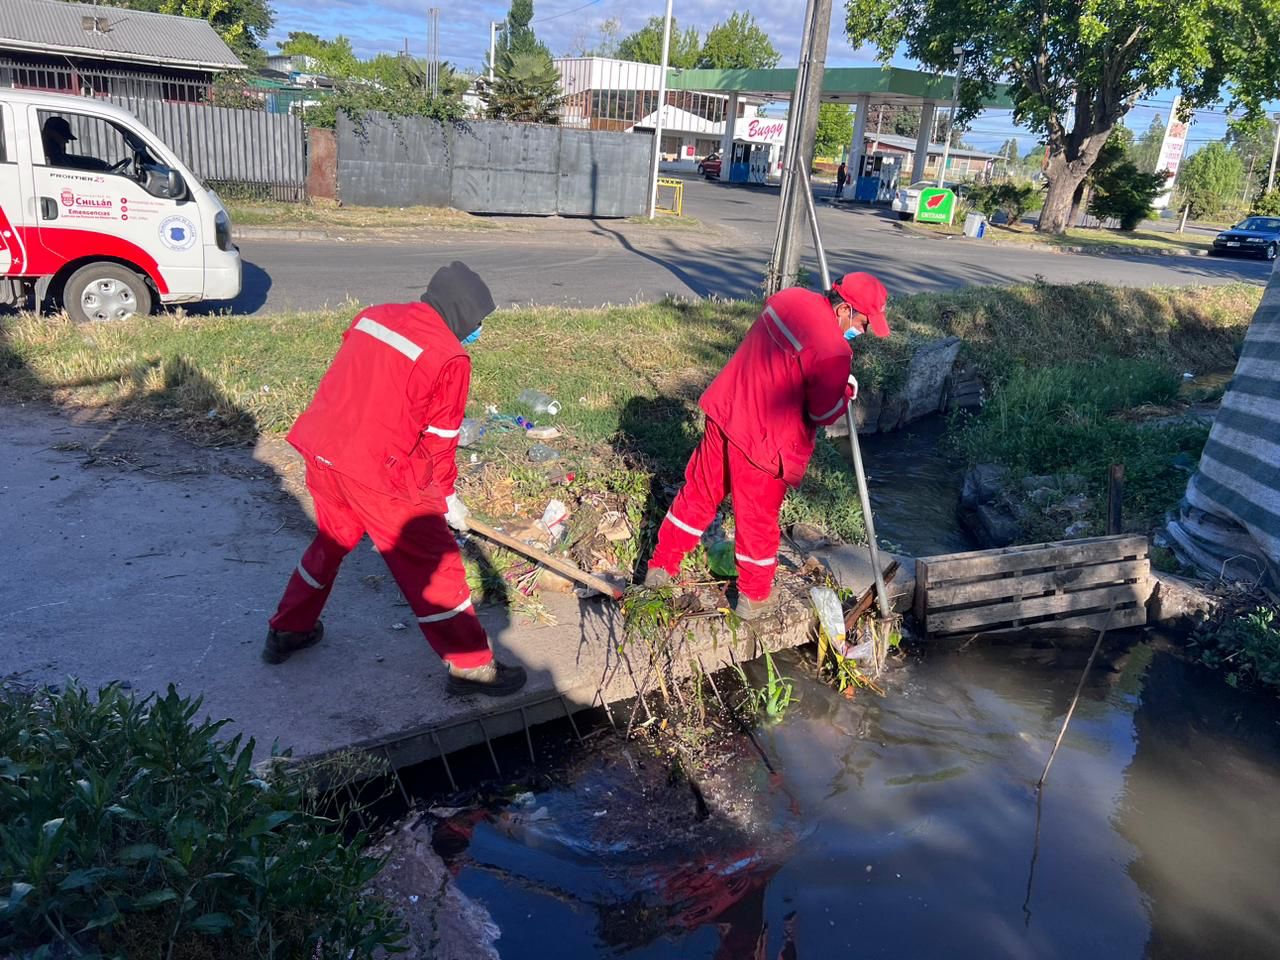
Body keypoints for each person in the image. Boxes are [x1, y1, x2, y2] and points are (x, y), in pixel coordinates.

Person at [264, 261, 527, 697]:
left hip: (325, 452)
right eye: (478, 321)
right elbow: (440, 440)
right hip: (376, 470)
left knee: (330, 544)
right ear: (461, 311)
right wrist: (445, 498)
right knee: (435, 564)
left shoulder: (374, 316)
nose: (478, 330)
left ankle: (288, 630)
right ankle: (472, 667)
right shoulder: (449, 355)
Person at [643, 273, 891, 619]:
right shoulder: (835, 353)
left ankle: (660, 567)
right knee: (757, 520)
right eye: (863, 323)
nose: (862, 332)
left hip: (727, 410)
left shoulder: (788, 299)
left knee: (698, 493)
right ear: (844, 310)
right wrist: (847, 390)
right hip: (765, 442)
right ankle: (755, 597)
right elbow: (823, 412)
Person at [40, 116, 107, 171]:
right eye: (64, 137)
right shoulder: (51, 158)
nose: (67, 142)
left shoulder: (59, 156)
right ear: (51, 133)